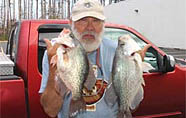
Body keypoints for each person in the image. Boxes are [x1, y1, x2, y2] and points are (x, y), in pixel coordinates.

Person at [39, 0, 145, 118]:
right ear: (71, 23)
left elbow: (133, 108)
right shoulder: (56, 52)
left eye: (96, 21)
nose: (90, 27)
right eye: (82, 20)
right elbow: (50, 110)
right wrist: (53, 67)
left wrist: (135, 73)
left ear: (104, 24)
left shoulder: (118, 52)